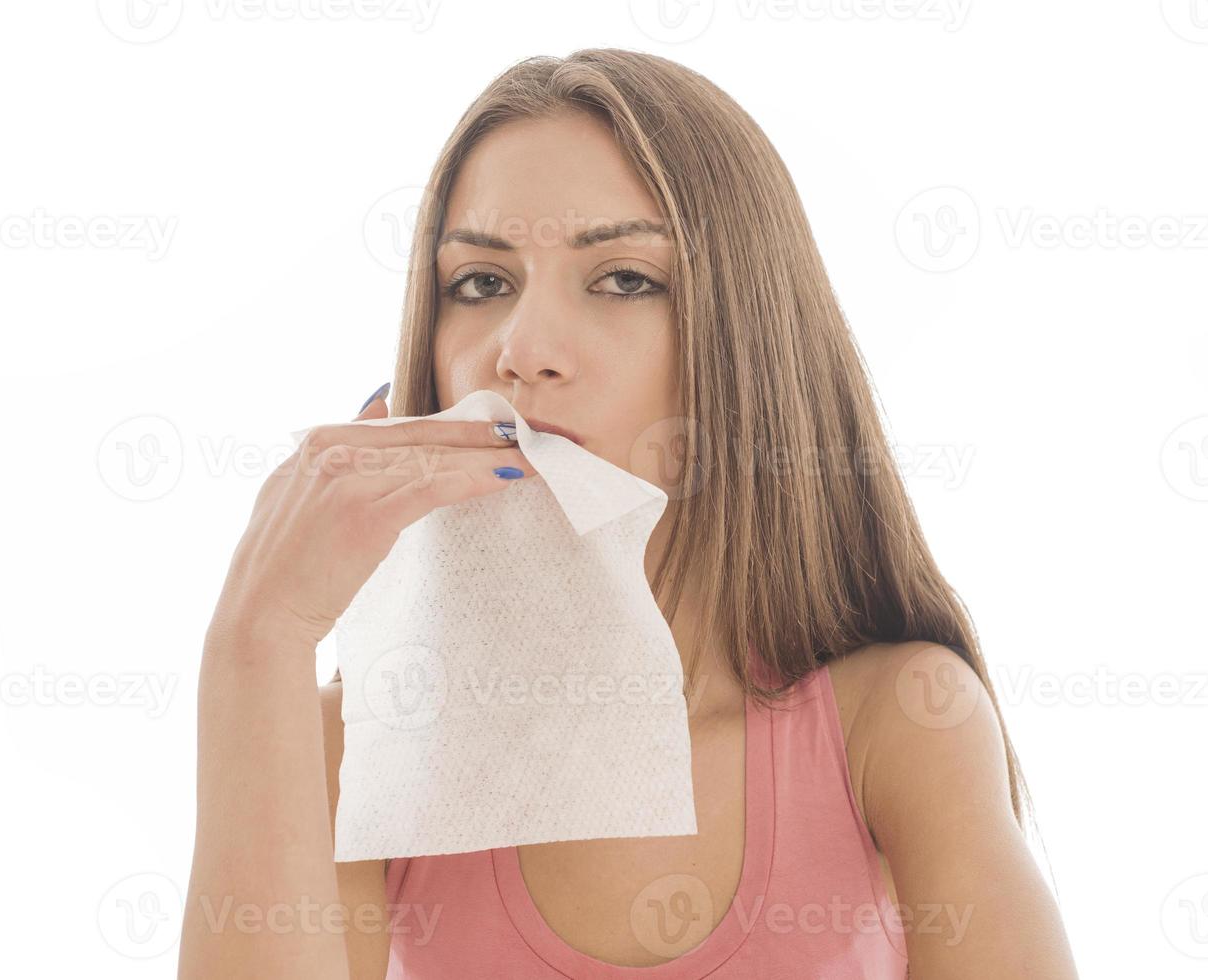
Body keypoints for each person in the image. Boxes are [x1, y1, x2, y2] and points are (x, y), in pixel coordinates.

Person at [178, 48, 1079, 978]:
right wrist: (258, 639)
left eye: (623, 279)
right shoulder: (353, 755)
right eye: (482, 283)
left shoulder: (899, 728)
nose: (521, 354)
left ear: (747, 344)